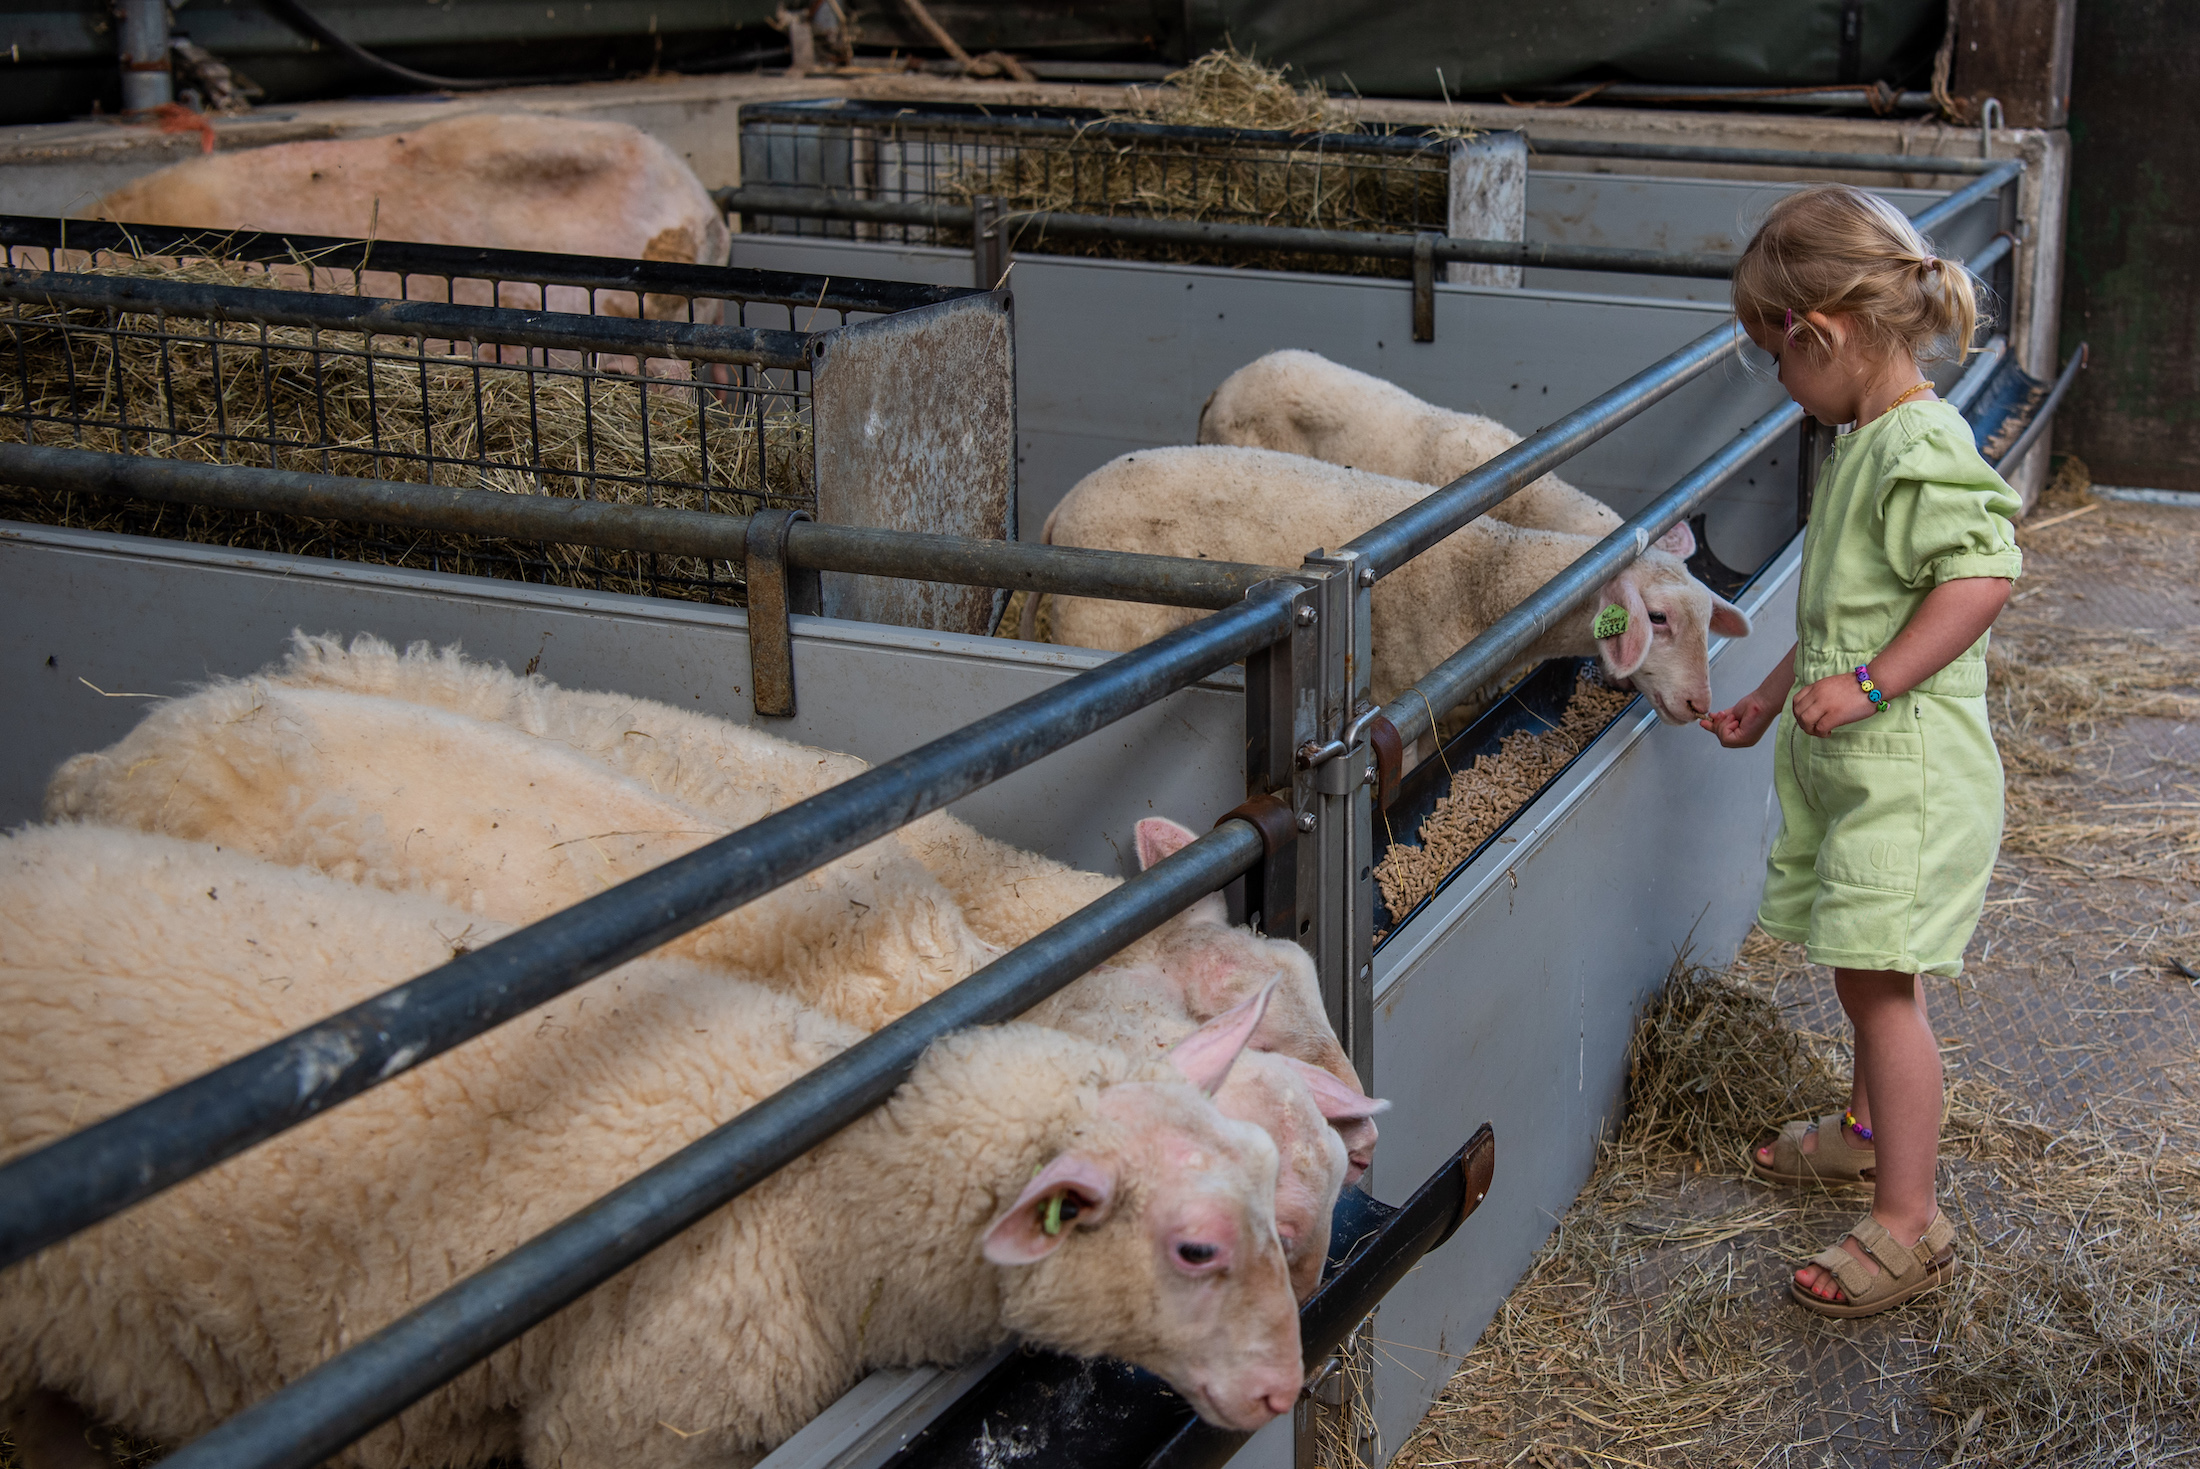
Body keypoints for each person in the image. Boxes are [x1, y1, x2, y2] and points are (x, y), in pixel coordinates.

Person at [1699, 184, 2022, 1319]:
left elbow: (1981, 574)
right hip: (1865, 770)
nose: (1780, 386)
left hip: (1913, 774)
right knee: (1860, 967)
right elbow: (1845, 615)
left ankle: (1907, 1217)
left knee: (1886, 991)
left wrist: (1875, 684)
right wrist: (1772, 693)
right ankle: (1865, 1133)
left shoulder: (1915, 442)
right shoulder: (1861, 441)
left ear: (1820, 333)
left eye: (1773, 359)